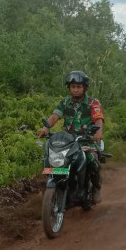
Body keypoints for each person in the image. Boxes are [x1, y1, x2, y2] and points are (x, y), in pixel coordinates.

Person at [37, 70, 105, 203]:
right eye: (73, 87)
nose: (76, 90)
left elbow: (98, 119)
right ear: (69, 88)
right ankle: (59, 186)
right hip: (69, 141)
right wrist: (45, 129)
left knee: (92, 159)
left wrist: (98, 132)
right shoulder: (65, 102)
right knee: (51, 157)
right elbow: (55, 116)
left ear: (84, 87)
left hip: (87, 140)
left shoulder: (93, 103)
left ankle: (96, 188)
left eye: (79, 87)